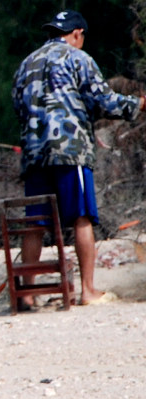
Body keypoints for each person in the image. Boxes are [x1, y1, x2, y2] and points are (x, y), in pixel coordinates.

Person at [12, 9, 144, 306]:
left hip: (34, 154)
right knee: (81, 218)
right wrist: (139, 104)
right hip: (70, 151)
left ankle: (29, 294)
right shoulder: (78, 58)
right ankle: (87, 291)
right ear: (77, 34)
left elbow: (17, 106)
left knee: (35, 222)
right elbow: (105, 100)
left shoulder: (25, 64)